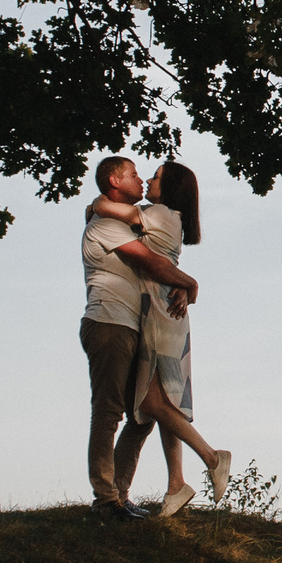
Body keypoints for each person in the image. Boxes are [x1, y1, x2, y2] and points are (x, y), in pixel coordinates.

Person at [88, 158, 233, 518]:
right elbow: (156, 261)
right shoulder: (153, 220)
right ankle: (163, 485)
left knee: (151, 406)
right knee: (149, 405)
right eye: (138, 174)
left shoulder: (156, 214)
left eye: (152, 177)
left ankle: (208, 460)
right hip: (145, 314)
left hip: (157, 314)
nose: (145, 180)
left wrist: (187, 283)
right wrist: (185, 282)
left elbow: (155, 262)